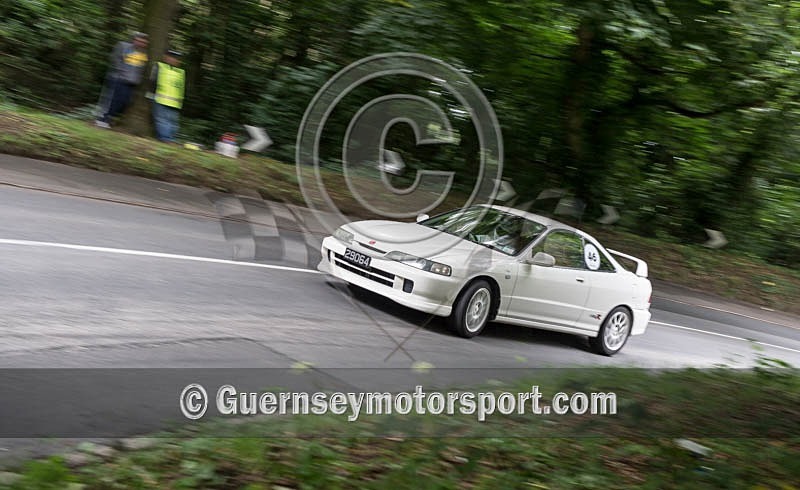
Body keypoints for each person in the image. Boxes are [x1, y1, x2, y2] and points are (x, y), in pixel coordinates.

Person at [95, 32, 149, 128]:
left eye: (143, 42)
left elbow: (141, 68)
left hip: (132, 82)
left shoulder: (144, 53)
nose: (141, 44)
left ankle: (110, 118)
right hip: (118, 78)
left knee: (124, 101)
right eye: (139, 41)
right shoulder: (123, 46)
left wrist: (137, 79)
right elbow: (115, 60)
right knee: (111, 99)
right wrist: (121, 72)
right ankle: (102, 119)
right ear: (134, 40)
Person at [149, 50, 185, 143]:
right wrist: (150, 95)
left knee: (173, 123)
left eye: (176, 59)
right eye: (172, 57)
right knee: (162, 120)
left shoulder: (181, 72)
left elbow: (182, 87)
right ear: (166, 58)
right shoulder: (159, 66)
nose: (174, 60)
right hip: (160, 99)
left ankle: (170, 139)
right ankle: (165, 139)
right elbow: (152, 81)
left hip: (175, 102)